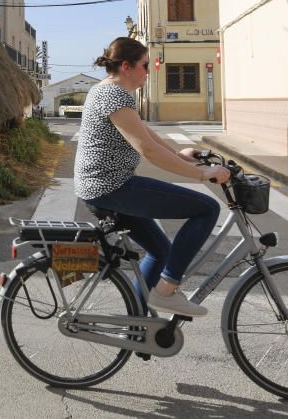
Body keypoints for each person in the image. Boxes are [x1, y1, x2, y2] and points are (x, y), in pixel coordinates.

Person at [73, 37, 230, 317]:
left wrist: (180, 155)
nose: (149, 71)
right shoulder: (114, 95)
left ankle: (136, 324)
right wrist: (202, 174)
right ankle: (166, 291)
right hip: (112, 187)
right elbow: (147, 150)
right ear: (126, 66)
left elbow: (147, 135)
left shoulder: (110, 93)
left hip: (103, 186)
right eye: (145, 65)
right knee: (208, 208)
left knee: (160, 251)